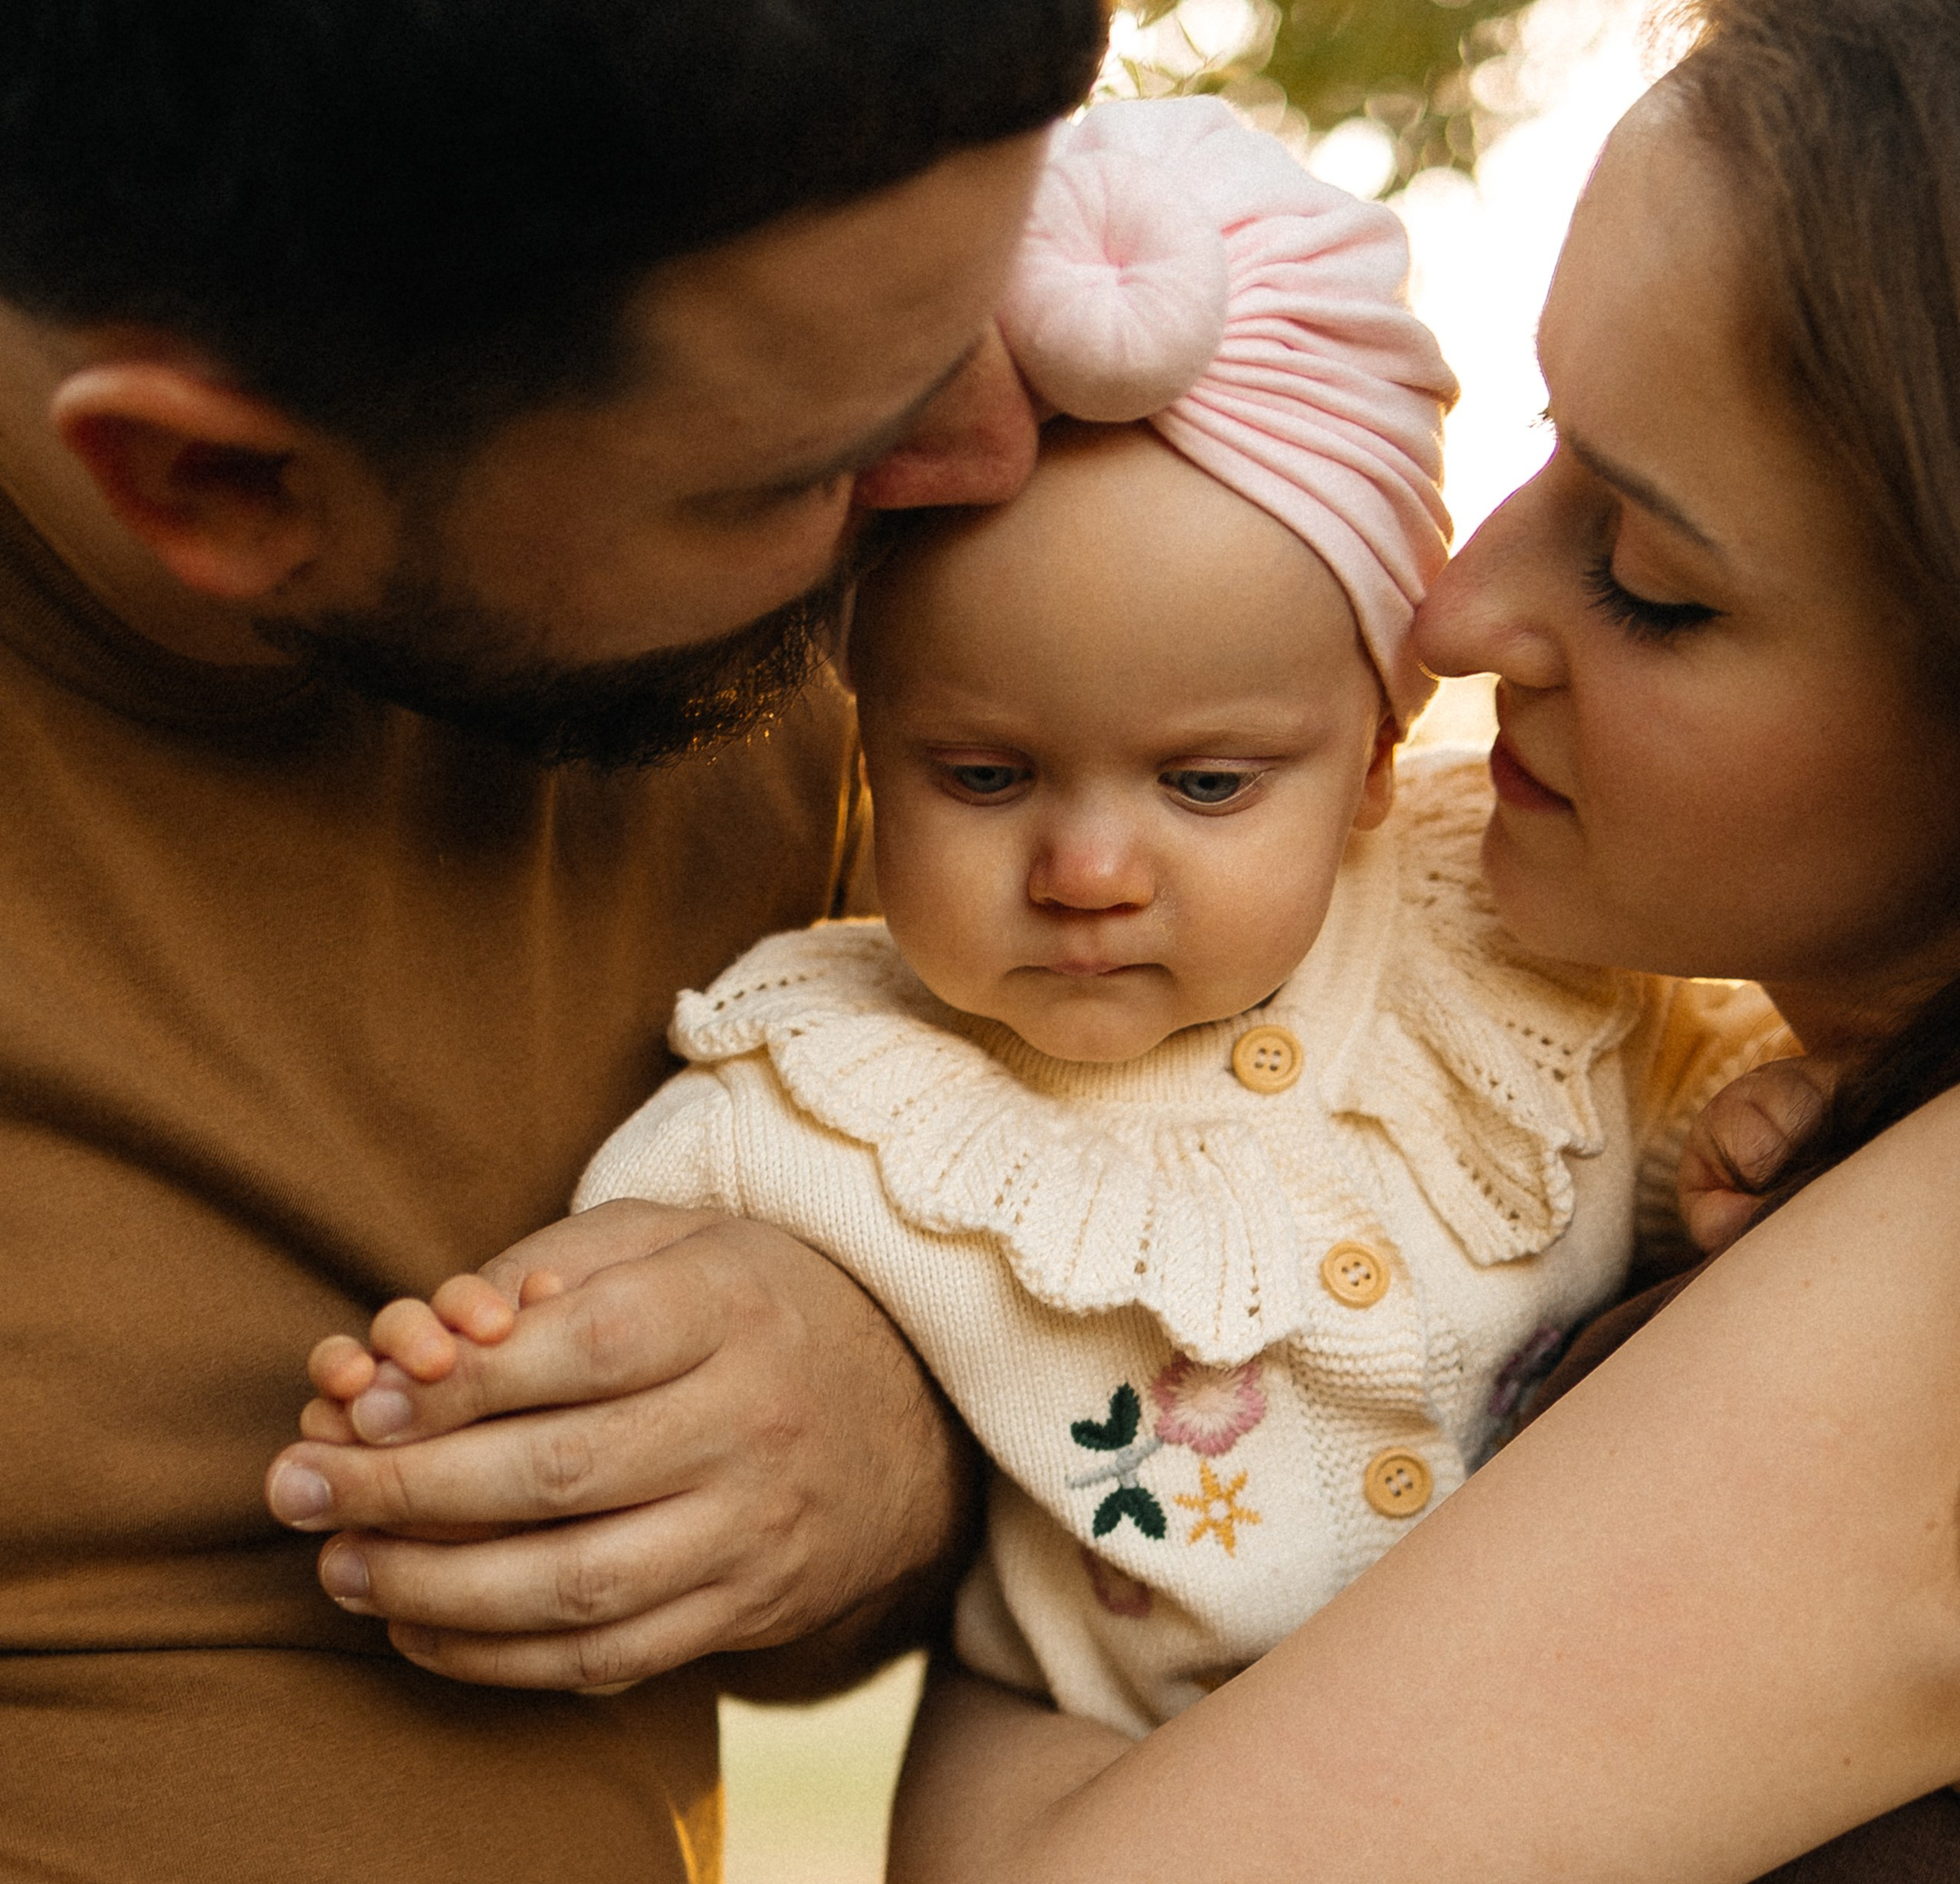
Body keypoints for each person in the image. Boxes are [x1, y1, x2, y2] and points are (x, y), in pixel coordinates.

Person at [856, 0, 1960, 1875]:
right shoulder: (1885, 1145)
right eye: (1546, 440)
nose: (1455, 606)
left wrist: (1001, 1628)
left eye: (1648, 579)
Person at [313, 98, 1782, 1741]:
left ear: (1373, 758)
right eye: (988, 776)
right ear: (868, 750)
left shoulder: (1492, 931)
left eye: (1210, 786)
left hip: (1574, 1729)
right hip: (1134, 1770)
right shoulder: (832, 1087)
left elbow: (1664, 1105)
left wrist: (1736, 1139)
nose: (1090, 868)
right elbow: (647, 1297)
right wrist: (477, 1381)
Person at [0, 2, 1106, 1879]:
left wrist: (919, 1409)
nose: (996, 453)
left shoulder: (886, 664)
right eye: (792, 471)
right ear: (219, 486)